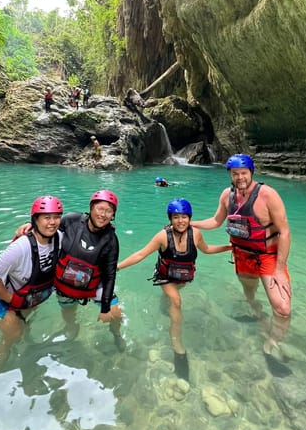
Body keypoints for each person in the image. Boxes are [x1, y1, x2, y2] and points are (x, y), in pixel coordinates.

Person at [191, 154, 292, 374]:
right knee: (250, 294)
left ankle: (273, 343)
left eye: (243, 173)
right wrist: (188, 222)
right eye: (235, 174)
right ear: (230, 175)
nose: (239, 178)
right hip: (242, 255)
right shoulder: (227, 195)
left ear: (251, 173)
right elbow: (216, 221)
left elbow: (284, 232)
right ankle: (258, 317)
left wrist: (279, 270)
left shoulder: (268, 195)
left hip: (267, 256)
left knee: (283, 308)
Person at [117, 198, 231, 380]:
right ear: (170, 218)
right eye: (176, 217)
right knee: (176, 301)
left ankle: (165, 304)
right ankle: (178, 348)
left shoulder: (196, 234)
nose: (180, 221)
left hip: (182, 277)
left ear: (189, 218)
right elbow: (141, 254)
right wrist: (117, 267)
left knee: (172, 299)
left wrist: (229, 247)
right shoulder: (162, 236)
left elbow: (207, 250)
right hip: (164, 277)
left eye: (184, 217)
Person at [15, 190, 125, 351]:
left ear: (113, 215)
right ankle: (71, 329)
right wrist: (30, 224)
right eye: (100, 209)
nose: (103, 214)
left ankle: (116, 335)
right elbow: (49, 226)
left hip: (94, 286)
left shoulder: (111, 240)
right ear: (91, 208)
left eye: (109, 211)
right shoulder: (72, 220)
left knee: (116, 314)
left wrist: (105, 307)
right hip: (64, 285)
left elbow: (109, 274)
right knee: (69, 316)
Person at [0, 195, 63, 366]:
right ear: (35, 220)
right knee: (13, 335)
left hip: (29, 296)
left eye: (56, 217)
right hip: (5, 300)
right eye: (46, 217)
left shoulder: (60, 238)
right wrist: (14, 300)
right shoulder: (20, 247)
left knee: (26, 327)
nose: (52, 222)